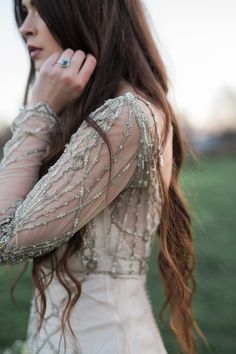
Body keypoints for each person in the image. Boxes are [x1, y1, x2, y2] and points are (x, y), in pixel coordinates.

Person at [0, 0, 206, 353]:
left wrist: (39, 110)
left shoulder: (127, 116)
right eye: (23, 11)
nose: (24, 27)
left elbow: (4, 236)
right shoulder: (102, 114)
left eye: (39, 9)